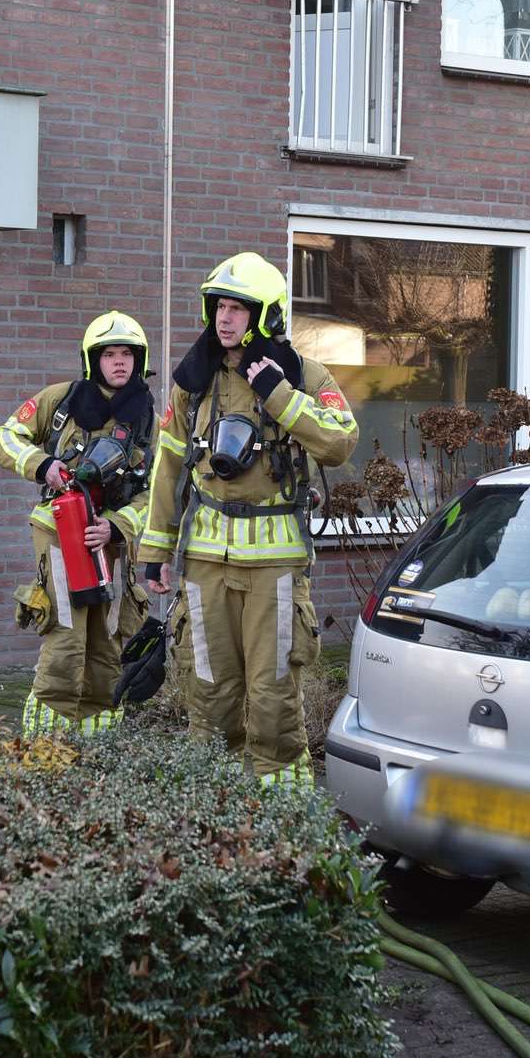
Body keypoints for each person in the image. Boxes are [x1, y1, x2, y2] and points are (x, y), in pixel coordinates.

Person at [138, 252, 358, 788]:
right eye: (219, 307)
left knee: (273, 698)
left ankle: (281, 813)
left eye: (237, 308)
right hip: (205, 564)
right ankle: (212, 812)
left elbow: (339, 442)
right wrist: (154, 552)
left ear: (266, 314)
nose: (224, 318)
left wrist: (278, 396)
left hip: (274, 569)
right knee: (208, 694)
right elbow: (168, 468)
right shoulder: (193, 383)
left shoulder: (302, 375)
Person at [0, 311, 156, 737]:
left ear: (139, 360)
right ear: (92, 359)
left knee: (108, 639)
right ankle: (46, 745)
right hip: (59, 532)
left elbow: (159, 489)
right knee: (67, 633)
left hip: (112, 542)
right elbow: (6, 437)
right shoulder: (60, 401)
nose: (119, 362)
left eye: (127, 355)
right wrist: (42, 464)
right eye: (109, 354)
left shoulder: (148, 420)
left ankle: (99, 741)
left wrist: (117, 526)